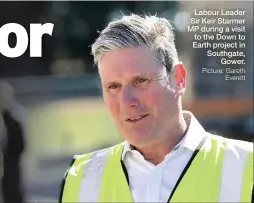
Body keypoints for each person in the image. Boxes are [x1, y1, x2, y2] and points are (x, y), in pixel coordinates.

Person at [59, 14, 253, 202]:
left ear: (178, 79)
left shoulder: (247, 167)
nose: (126, 101)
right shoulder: (80, 179)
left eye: (141, 81)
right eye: (113, 86)